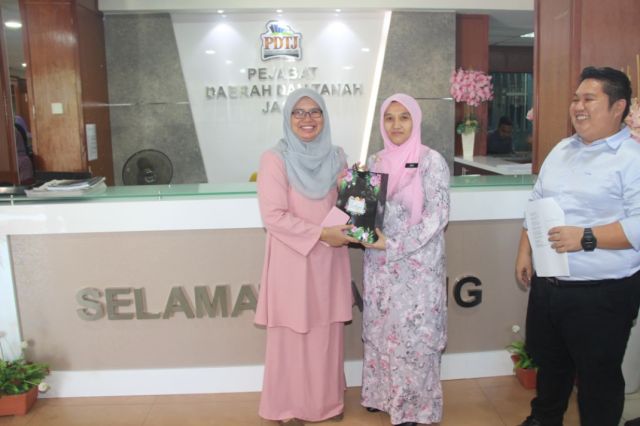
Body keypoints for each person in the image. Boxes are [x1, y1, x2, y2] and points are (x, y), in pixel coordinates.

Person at [515, 67, 640, 426]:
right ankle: (543, 419)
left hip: (602, 294)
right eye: (575, 99)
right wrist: (524, 251)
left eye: (589, 99)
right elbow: (536, 202)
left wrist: (586, 237)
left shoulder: (632, 158)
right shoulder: (561, 149)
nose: (578, 107)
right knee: (550, 367)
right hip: (549, 285)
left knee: (598, 379)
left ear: (618, 107)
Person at [255, 88, 357, 425]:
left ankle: (326, 403)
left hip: (329, 259)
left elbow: (345, 206)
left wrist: (360, 191)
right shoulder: (274, 159)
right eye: (298, 112)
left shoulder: (337, 157)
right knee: (292, 334)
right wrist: (321, 234)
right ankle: (288, 405)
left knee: (326, 333)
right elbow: (273, 216)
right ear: (288, 118)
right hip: (293, 260)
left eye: (314, 111)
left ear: (324, 117)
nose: (307, 119)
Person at [360, 93, 450, 426]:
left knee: (415, 336)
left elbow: (437, 216)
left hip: (418, 268)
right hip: (380, 266)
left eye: (404, 117)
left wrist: (395, 244)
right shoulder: (374, 161)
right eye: (389, 118)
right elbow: (364, 215)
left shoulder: (431, 161)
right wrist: (354, 203)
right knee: (381, 330)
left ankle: (414, 408)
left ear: (416, 120)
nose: (396, 125)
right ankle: (381, 395)